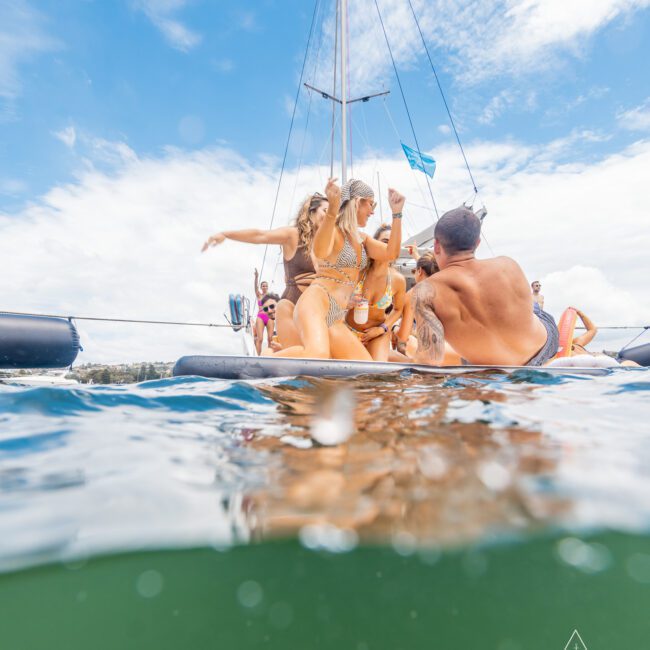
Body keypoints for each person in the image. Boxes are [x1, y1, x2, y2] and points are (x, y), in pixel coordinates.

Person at [411, 206, 559, 366]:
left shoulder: (425, 291)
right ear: (477, 243)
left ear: (436, 246)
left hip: (492, 367)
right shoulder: (507, 265)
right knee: (534, 310)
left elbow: (429, 359)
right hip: (543, 348)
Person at [276, 177, 403, 360]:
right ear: (358, 202)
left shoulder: (363, 239)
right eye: (371, 205)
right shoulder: (334, 230)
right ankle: (263, 359)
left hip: (336, 316)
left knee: (365, 370)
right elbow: (319, 251)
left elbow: (392, 253)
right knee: (317, 354)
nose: (372, 212)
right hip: (317, 303)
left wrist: (397, 214)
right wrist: (332, 211)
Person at [201, 193, 329, 347]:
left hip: (316, 309)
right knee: (303, 353)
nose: (329, 217)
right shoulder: (292, 235)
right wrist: (225, 234)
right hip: (291, 306)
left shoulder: (326, 245)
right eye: (325, 211)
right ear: (311, 212)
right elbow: (260, 235)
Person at [344, 224, 407, 361]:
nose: (389, 247)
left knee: (376, 374)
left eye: (393, 244)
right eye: (385, 242)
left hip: (377, 334)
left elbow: (398, 309)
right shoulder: (358, 271)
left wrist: (382, 328)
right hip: (349, 330)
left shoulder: (397, 280)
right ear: (374, 243)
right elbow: (336, 297)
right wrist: (346, 302)